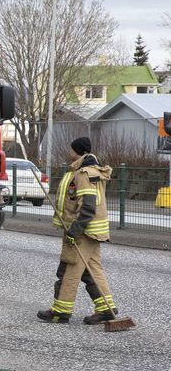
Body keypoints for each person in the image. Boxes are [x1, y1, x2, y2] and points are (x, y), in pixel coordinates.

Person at [37, 137, 117, 324]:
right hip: (91, 232)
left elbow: (88, 207)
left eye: (71, 149)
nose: (69, 152)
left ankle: (60, 312)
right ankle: (106, 309)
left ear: (77, 151)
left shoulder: (83, 174)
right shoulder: (89, 171)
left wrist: (74, 231)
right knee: (91, 270)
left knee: (68, 269)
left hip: (82, 231)